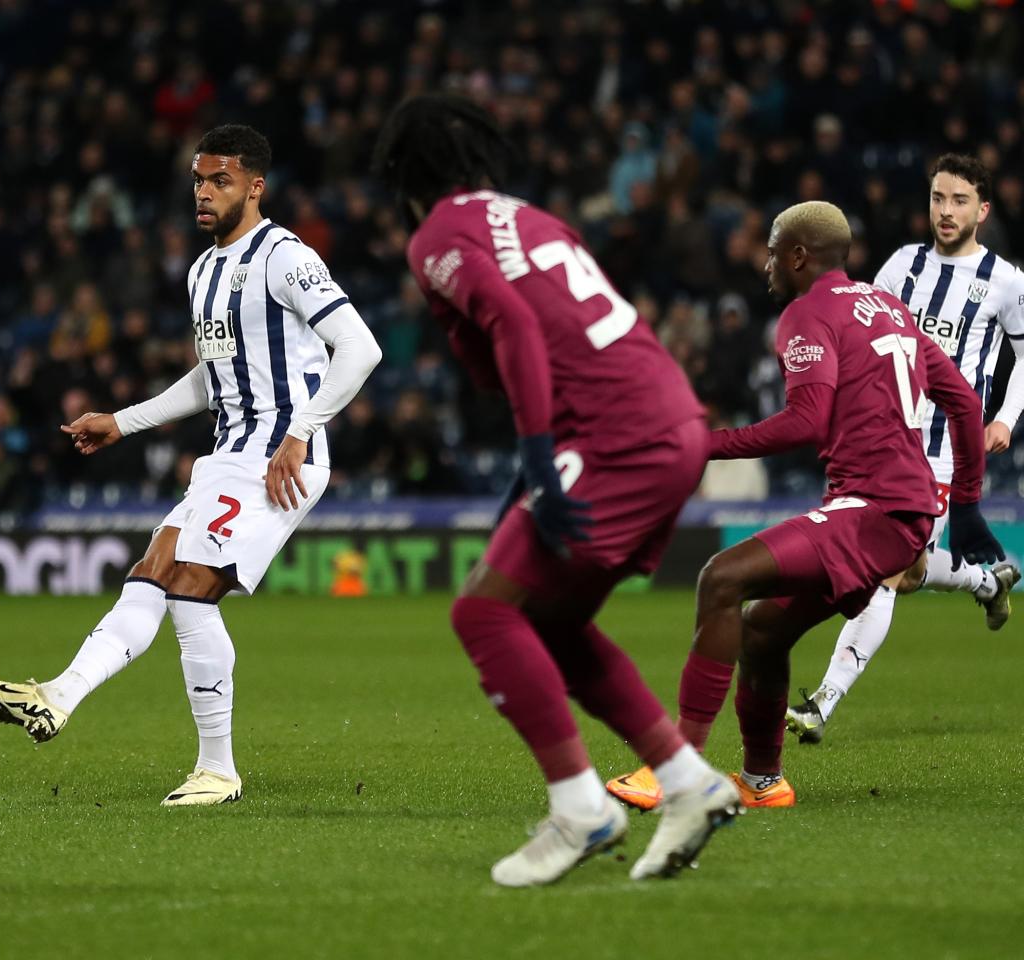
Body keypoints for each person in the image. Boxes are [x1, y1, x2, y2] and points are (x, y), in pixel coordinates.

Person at [373, 94, 742, 887]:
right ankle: (687, 783)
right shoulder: (529, 217)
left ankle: (579, 807)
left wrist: (537, 455)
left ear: (406, 173)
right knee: (556, 622)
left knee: (483, 610)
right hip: (671, 418)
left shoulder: (437, 232)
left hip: (612, 432)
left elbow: (510, 322)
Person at [0, 125, 381, 806]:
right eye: (198, 178)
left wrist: (303, 431)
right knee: (151, 576)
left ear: (255, 187)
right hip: (229, 454)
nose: (203, 190)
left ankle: (218, 771)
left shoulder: (286, 257)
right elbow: (209, 378)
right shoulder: (201, 272)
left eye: (220, 179)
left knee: (191, 587)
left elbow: (360, 349)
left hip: (279, 458)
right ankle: (58, 696)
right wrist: (122, 421)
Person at [607, 201, 1002, 811]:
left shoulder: (806, 314)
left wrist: (700, 446)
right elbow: (966, 405)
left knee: (722, 577)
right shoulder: (889, 307)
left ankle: (675, 767)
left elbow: (806, 422)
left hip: (872, 510)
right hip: (900, 512)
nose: (766, 264)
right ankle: (764, 781)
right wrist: (968, 505)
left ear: (798, 255)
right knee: (763, 631)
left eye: (772, 251)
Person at [787, 155, 1024, 743]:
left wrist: (1007, 418)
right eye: (938, 198)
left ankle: (823, 702)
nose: (946, 211)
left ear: (982, 210)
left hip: (947, 449)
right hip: (890, 441)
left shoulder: (1006, 281)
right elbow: (862, 332)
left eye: (960, 200)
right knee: (912, 572)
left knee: (890, 573)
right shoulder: (902, 266)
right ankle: (986, 582)